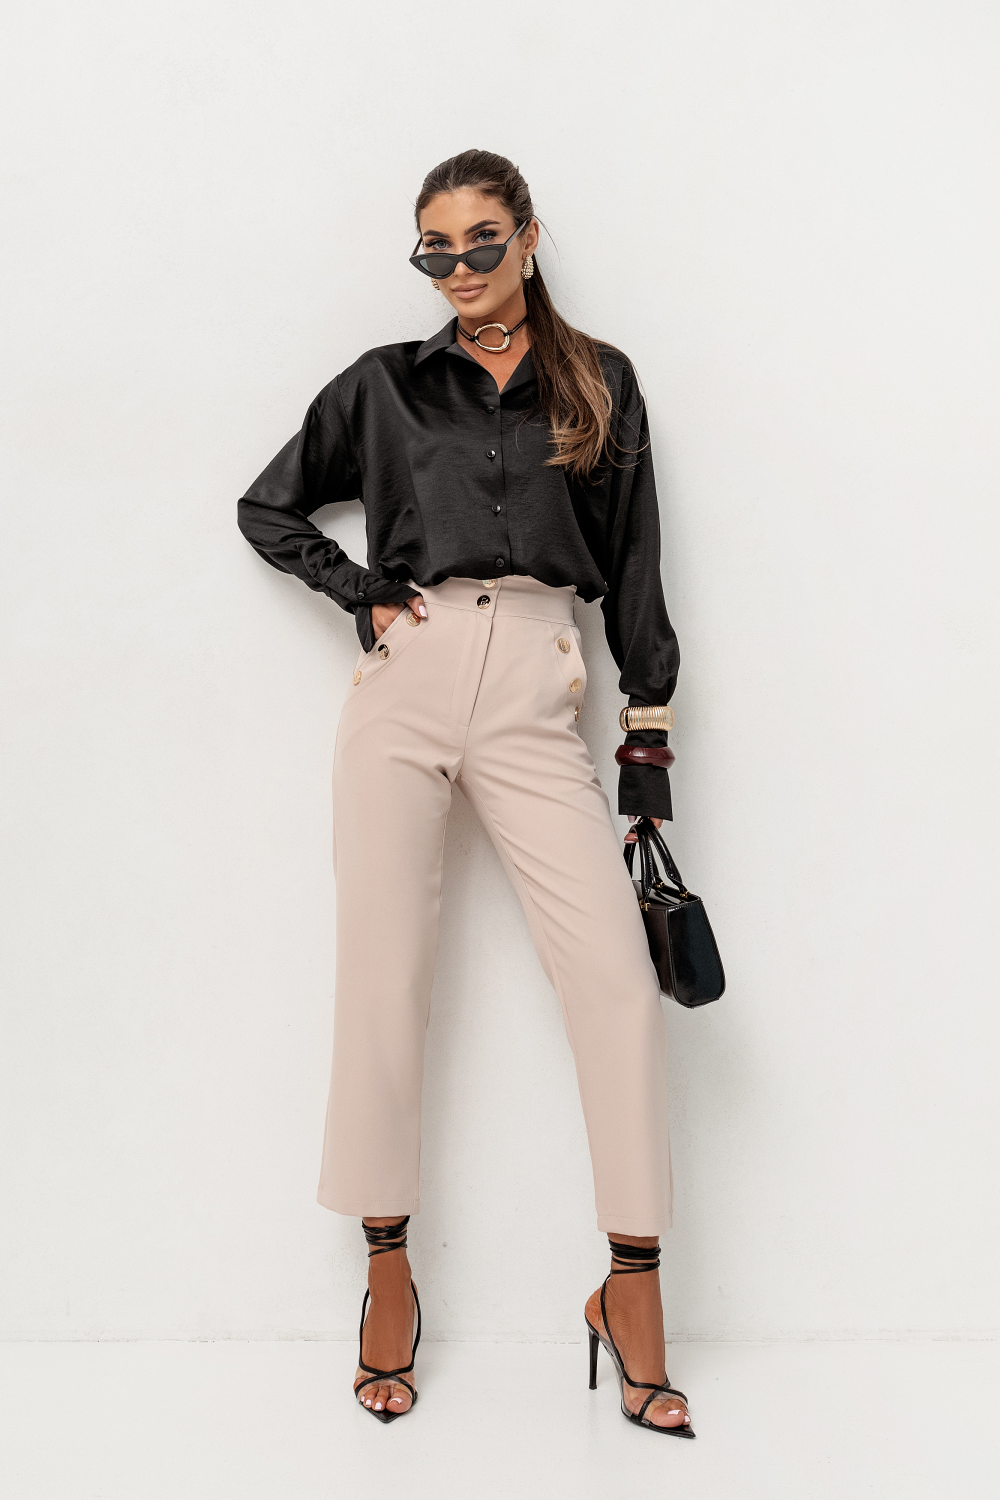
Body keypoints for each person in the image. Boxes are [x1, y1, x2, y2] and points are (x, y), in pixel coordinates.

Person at [237, 149, 692, 1436]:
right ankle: (387, 1270)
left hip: (539, 679)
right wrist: (362, 596)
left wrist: (646, 735)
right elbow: (269, 509)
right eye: (434, 249)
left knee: (616, 984)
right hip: (409, 682)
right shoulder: (384, 384)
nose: (458, 268)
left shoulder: (598, 382)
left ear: (529, 239)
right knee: (384, 977)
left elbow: (635, 563)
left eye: (480, 242)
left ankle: (633, 1284)